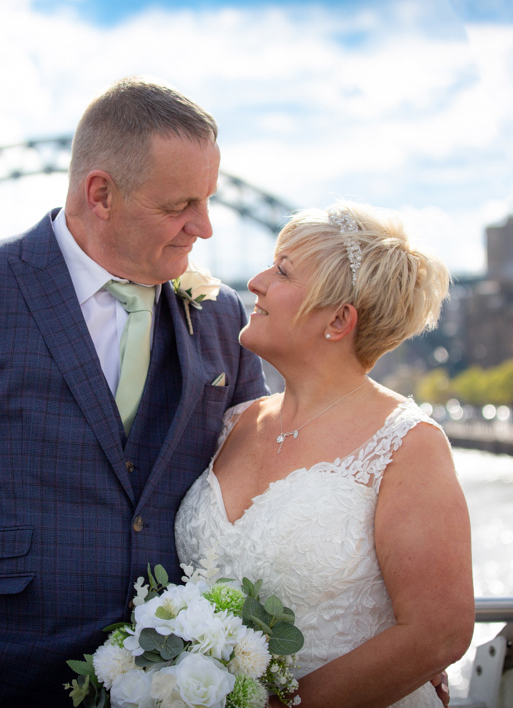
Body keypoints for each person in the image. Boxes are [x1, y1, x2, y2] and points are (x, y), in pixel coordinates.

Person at [0, 77, 270, 707]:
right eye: (180, 205)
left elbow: (256, 491)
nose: (202, 227)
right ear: (100, 193)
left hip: (173, 686)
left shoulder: (223, 314)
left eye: (208, 200)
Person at [176, 202, 474, 708]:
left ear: (338, 319)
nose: (255, 281)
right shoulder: (233, 423)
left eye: (283, 271)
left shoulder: (407, 444)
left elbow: (438, 633)